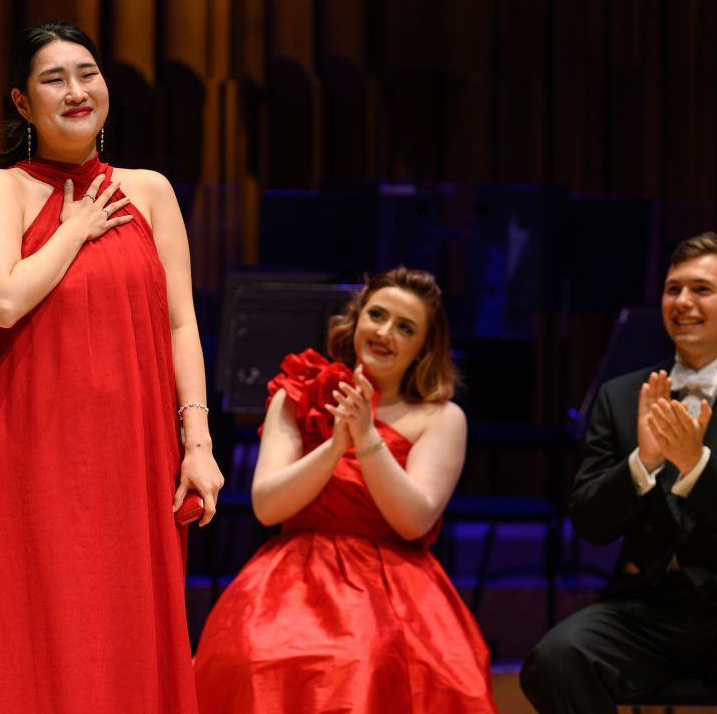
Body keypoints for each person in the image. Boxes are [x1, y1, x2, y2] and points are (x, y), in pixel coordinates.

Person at [0, 21, 223, 712]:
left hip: (134, 450)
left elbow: (181, 323)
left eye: (87, 73)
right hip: (29, 451)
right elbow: (3, 300)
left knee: (124, 627)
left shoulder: (151, 190)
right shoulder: (2, 190)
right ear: (20, 103)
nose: (76, 90)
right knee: (36, 627)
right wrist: (75, 227)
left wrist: (198, 442)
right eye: (53, 79)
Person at [520, 232, 717, 714]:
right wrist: (643, 462)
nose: (682, 302)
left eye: (701, 289)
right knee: (555, 660)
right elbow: (589, 522)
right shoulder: (621, 394)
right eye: (673, 289)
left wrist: (697, 465)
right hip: (643, 606)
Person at [194, 267, 498, 714]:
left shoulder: (441, 417)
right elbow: (267, 505)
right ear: (355, 320)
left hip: (393, 580)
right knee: (247, 654)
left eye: (405, 328)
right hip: (292, 575)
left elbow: (414, 520)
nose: (385, 332)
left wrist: (367, 436)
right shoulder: (298, 392)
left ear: (423, 350)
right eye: (377, 315)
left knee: (363, 660)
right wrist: (336, 447)